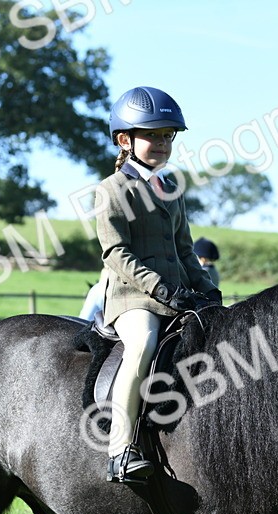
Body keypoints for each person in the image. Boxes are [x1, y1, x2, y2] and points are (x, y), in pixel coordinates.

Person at [95, 85, 221, 484]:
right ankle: (120, 450)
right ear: (125, 140)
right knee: (144, 344)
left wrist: (208, 290)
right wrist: (160, 289)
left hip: (178, 296)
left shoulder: (171, 190)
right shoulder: (111, 190)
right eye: (153, 136)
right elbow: (116, 252)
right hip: (132, 298)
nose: (163, 143)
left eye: (168, 136)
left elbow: (184, 251)